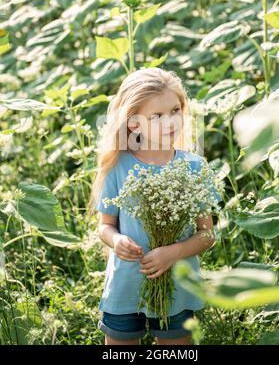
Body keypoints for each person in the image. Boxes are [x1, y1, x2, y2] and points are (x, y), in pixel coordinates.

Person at [88, 67, 222, 345]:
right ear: (134, 123)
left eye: (175, 110)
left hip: (177, 287)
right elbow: (105, 226)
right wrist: (117, 241)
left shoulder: (194, 167)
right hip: (126, 284)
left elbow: (207, 234)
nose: (170, 121)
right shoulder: (118, 166)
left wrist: (173, 253)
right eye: (157, 116)